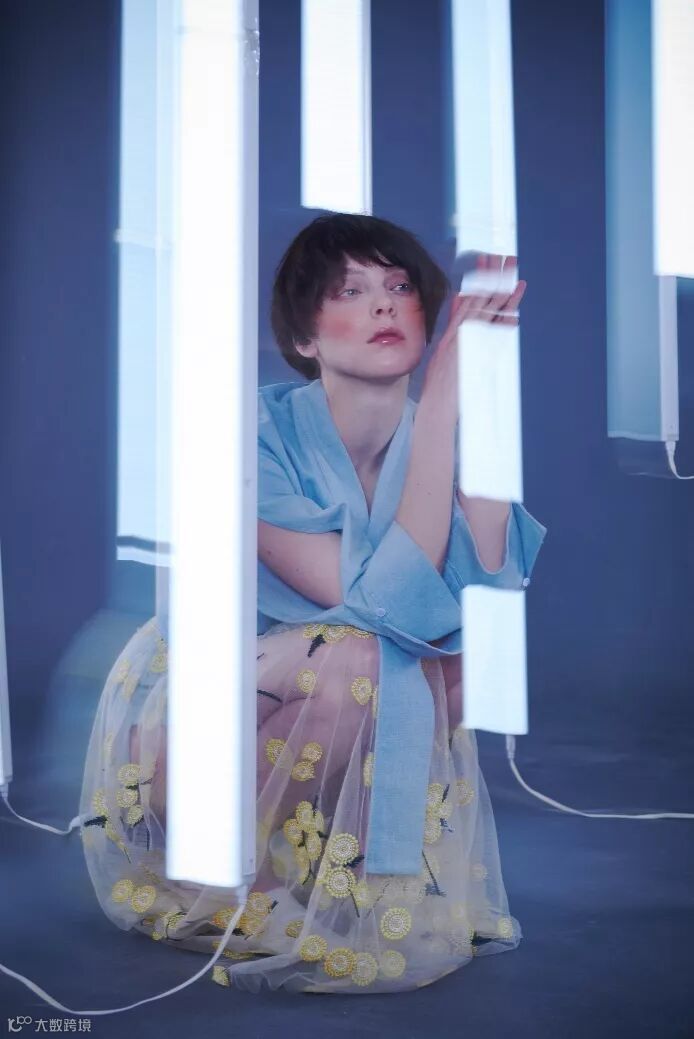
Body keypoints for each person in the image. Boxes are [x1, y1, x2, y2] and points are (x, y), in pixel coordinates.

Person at [79, 213, 547, 994]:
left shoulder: (429, 437)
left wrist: (480, 405)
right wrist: (440, 403)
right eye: (350, 291)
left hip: (329, 686)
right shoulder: (252, 435)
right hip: (203, 717)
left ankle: (321, 855)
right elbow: (375, 605)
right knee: (360, 653)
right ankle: (223, 868)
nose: (384, 304)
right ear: (304, 337)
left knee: (456, 668)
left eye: (399, 286)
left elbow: (487, 604)